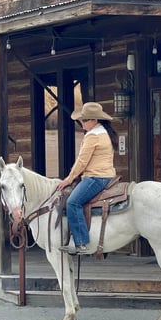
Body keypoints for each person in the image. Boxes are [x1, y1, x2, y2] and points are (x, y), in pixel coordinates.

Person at [56, 102, 118, 254]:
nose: (82, 123)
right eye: (81, 120)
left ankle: (81, 242)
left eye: (84, 120)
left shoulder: (93, 136)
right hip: (107, 175)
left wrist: (69, 179)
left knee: (72, 202)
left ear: (95, 120)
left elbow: (81, 162)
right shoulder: (104, 132)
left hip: (96, 177)